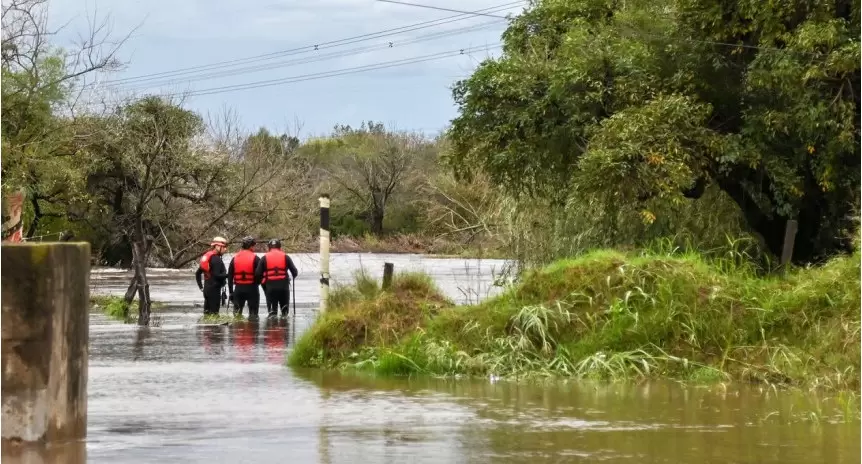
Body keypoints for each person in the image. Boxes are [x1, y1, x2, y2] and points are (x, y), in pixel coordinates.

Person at [255, 239, 298, 319]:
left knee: (272, 314)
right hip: (284, 287)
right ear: (280, 247)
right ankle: (285, 328)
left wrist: (263, 284)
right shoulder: (286, 257)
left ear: (269, 248)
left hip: (270, 288)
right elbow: (294, 272)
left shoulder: (264, 258)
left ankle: (272, 328)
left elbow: (257, 273)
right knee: (284, 313)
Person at [227, 236, 262, 319]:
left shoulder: (234, 258)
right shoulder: (256, 258)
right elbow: (260, 275)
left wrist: (231, 292)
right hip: (252, 289)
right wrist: (257, 283)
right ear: (251, 246)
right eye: (254, 245)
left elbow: (230, 277)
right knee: (253, 316)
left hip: (238, 290)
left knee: (237, 317)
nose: (254, 247)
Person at [195, 236, 229, 316]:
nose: (225, 249)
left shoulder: (208, 257)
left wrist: (201, 287)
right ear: (217, 247)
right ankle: (214, 328)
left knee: (207, 315)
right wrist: (229, 275)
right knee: (214, 315)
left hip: (207, 289)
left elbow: (197, 273)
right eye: (223, 247)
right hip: (214, 291)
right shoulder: (216, 259)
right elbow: (217, 275)